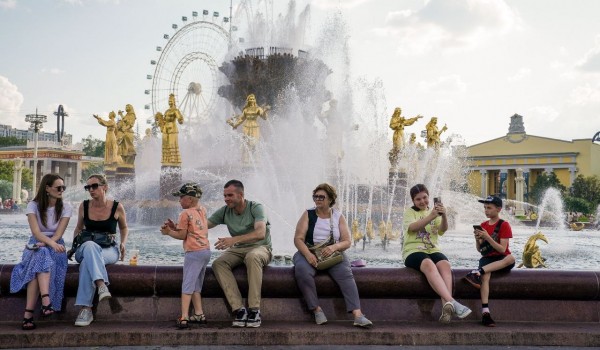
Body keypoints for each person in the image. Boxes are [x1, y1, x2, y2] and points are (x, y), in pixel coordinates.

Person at [293, 183, 373, 328]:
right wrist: (307, 255)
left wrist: (334, 247)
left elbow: (347, 241)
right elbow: (298, 239)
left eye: (321, 197)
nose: (317, 200)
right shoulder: (308, 214)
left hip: (331, 254)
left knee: (346, 273)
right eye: (315, 196)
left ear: (330, 199)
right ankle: (316, 310)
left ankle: (358, 315)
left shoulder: (338, 216)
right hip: (309, 251)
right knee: (302, 271)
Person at [10, 174, 72, 330]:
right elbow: (36, 232)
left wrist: (50, 244)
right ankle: (46, 301)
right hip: (36, 243)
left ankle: (28, 314)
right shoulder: (33, 205)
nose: (61, 190)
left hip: (56, 245)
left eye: (63, 188)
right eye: (58, 188)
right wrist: (47, 243)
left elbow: (58, 234)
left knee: (38, 263)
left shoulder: (66, 207)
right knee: (40, 254)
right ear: (47, 188)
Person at [402, 184, 471, 323]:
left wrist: (444, 215)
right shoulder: (410, 212)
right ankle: (452, 302)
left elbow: (442, 230)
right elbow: (412, 228)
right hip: (413, 250)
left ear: (429, 196)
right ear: (413, 201)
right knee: (428, 264)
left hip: (432, 249)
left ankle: (447, 307)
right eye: (418, 199)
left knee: (445, 264)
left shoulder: (434, 210)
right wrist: (431, 216)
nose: (422, 201)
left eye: (425, 197)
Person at [207, 179, 272, 328]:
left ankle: (254, 310)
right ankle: (239, 309)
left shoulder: (256, 207)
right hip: (238, 249)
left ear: (240, 195)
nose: (226, 199)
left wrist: (233, 240)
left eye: (230, 195)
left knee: (253, 256)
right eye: (225, 195)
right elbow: (203, 225)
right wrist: (176, 228)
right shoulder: (225, 211)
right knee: (219, 263)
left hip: (260, 248)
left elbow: (260, 233)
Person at [71, 174, 128, 327]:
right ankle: (101, 285)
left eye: (94, 186)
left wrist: (123, 243)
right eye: (88, 187)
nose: (91, 190)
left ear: (105, 187)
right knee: (90, 246)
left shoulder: (117, 207)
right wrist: (73, 247)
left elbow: (123, 227)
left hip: (109, 249)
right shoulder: (84, 206)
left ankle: (86, 309)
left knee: (86, 265)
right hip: (85, 248)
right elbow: (78, 227)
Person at [160, 183, 210, 329]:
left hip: (193, 253)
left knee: (187, 285)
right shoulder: (202, 209)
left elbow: (182, 236)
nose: (179, 200)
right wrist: (175, 227)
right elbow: (192, 229)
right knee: (196, 284)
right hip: (205, 251)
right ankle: (199, 314)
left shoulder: (184, 213)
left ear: (190, 199)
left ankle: (184, 317)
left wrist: (168, 232)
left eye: (181, 197)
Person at [464, 196, 516, 327]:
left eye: (489, 208)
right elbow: (481, 251)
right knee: (486, 275)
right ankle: (485, 312)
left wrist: (488, 237)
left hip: (501, 258)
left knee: (511, 258)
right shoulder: (483, 225)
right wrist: (477, 239)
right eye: (485, 208)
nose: (486, 211)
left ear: (498, 209)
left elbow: (503, 249)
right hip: (488, 258)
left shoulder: (504, 225)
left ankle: (477, 272)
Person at [155, 93, 184, 166]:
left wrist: (180, 118)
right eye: (169, 101)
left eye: (171, 101)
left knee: (171, 144)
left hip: (172, 129)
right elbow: (164, 120)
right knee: (165, 145)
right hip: (165, 129)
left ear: (174, 101)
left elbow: (180, 119)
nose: (170, 102)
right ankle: (166, 160)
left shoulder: (175, 110)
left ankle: (174, 160)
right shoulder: (167, 111)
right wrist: (160, 121)